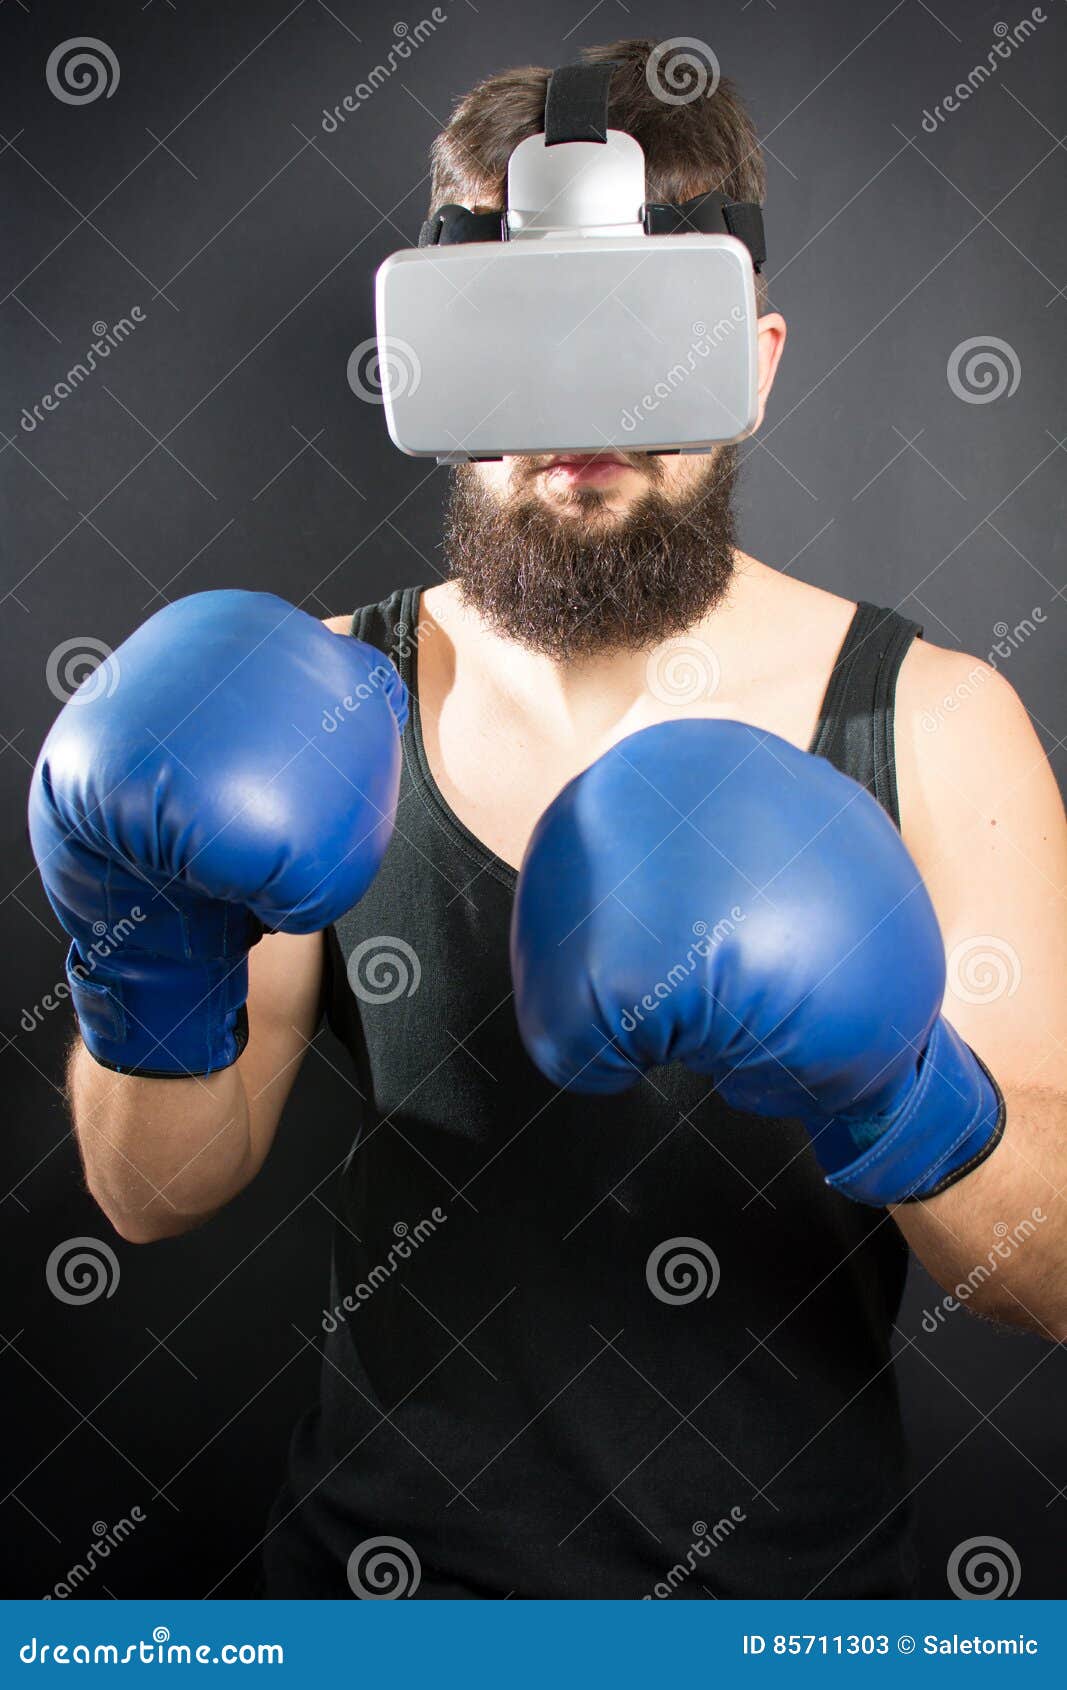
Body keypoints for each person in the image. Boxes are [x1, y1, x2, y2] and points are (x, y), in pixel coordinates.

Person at [29, 40, 1066, 1600]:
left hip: (791, 1617)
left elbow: (1048, 1278)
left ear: (756, 359)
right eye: (522, 336)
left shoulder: (929, 717)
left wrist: (901, 1084)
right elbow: (147, 1195)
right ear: (431, 362)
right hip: (377, 1601)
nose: (585, 408)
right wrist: (141, 950)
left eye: (643, 340)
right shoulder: (322, 701)